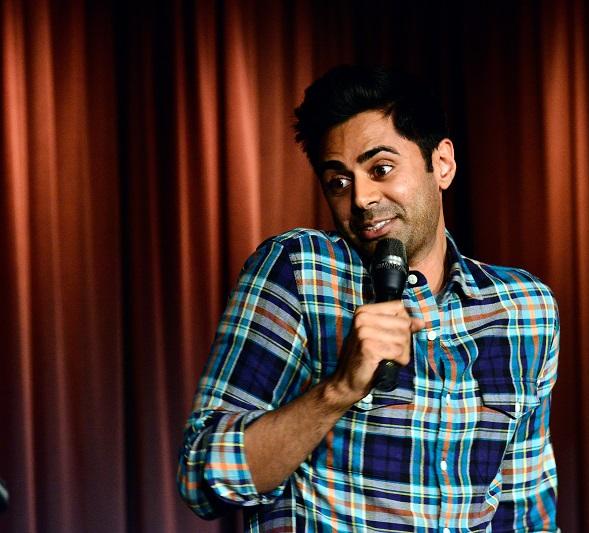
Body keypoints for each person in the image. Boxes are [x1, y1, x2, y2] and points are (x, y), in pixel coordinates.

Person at [177, 65, 560, 532]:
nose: (360, 199)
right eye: (338, 182)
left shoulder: (524, 308)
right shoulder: (298, 270)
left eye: (381, 169)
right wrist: (339, 391)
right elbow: (202, 478)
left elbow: (525, 509)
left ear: (441, 163)